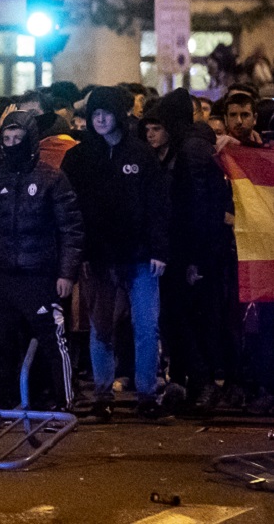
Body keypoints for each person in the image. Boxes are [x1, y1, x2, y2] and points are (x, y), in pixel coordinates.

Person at [60, 86, 171, 422]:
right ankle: (103, 396)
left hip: (139, 256)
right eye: (95, 114)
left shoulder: (139, 155)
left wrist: (158, 248)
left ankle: (147, 395)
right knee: (100, 327)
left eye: (106, 113)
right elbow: (69, 210)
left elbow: (157, 205)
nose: (101, 119)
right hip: (99, 257)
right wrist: (79, 254)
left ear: (119, 115)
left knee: (146, 326)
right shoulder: (79, 158)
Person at [0, 112, 84, 410]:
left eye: (17, 139)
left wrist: (66, 273)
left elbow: (70, 229)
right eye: (6, 139)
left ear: (30, 140)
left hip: (40, 275)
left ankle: (64, 401)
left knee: (52, 341)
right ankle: (4, 401)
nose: (12, 145)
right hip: (3, 276)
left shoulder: (51, 177)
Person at [158, 88, 235, 413]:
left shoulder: (189, 151)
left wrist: (194, 260)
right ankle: (194, 384)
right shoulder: (194, 146)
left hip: (193, 252)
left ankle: (203, 384)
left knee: (188, 319)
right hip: (195, 250)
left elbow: (198, 208)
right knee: (192, 319)